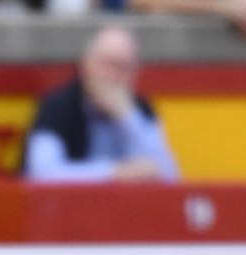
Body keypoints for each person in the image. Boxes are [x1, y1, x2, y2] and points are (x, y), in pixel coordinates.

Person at [25, 25, 179, 183]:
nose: (113, 76)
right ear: (85, 64)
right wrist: (115, 173)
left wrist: (128, 117)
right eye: (107, 65)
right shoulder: (58, 106)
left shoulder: (141, 109)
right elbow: (41, 173)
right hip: (70, 206)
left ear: (136, 73)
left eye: (123, 68)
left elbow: (170, 177)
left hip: (127, 206)